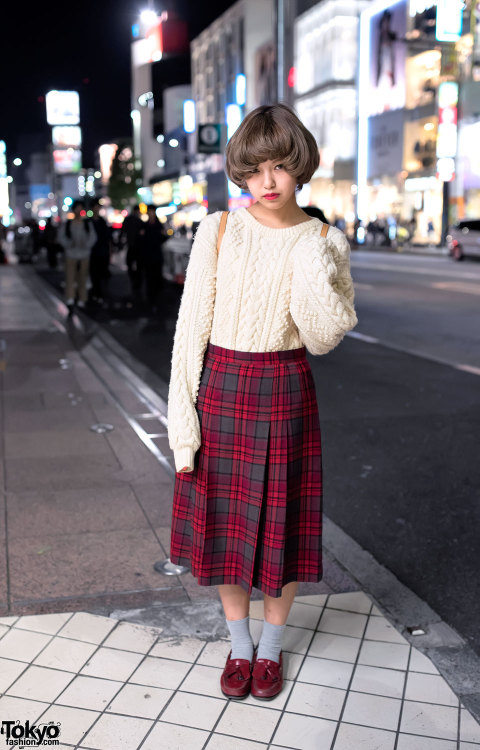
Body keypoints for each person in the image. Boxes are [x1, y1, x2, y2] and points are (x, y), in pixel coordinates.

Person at [167, 103, 358, 701]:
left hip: (285, 387)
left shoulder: (325, 241)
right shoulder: (219, 230)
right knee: (225, 530)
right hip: (221, 386)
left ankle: (271, 654)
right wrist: (183, 425)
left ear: (300, 168)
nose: (268, 181)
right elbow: (189, 331)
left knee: (282, 528)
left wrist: (306, 252)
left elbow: (325, 334)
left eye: (280, 166)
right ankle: (239, 647)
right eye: (256, 169)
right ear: (242, 174)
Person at [62, 200, 95, 309]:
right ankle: (70, 297)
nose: (79, 210)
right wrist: (69, 244)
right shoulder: (68, 224)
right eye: (77, 208)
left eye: (80, 208)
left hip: (84, 254)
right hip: (71, 254)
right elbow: (61, 237)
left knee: (83, 277)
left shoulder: (87, 224)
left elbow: (93, 237)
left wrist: (86, 245)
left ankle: (82, 298)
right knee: (70, 277)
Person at [138, 205, 166, 311]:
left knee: (157, 278)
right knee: (149, 279)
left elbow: (163, 238)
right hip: (148, 257)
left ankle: (157, 299)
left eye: (152, 212)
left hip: (157, 256)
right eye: (149, 212)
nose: (151, 214)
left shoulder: (159, 226)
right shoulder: (144, 226)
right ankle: (151, 300)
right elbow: (141, 241)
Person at [88, 202, 111, 303]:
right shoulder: (88, 222)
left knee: (102, 274)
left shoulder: (102, 221)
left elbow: (107, 237)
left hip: (102, 251)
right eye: (95, 207)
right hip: (92, 252)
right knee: (94, 274)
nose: (97, 209)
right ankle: (96, 293)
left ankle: (100, 293)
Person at [120, 204, 143, 297]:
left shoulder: (128, 220)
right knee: (138, 265)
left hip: (131, 245)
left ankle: (134, 279)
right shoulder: (139, 221)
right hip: (137, 246)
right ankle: (137, 281)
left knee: (130, 264)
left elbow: (123, 231)